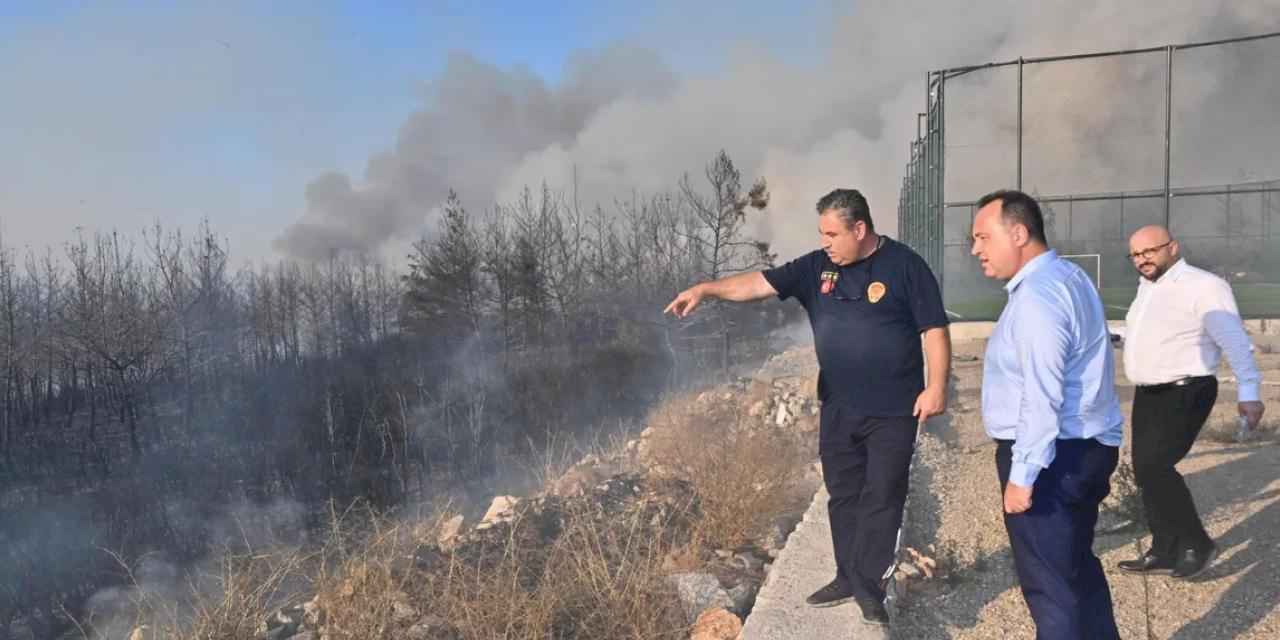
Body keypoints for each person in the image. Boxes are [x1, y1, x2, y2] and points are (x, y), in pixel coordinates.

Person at [664, 188, 951, 627]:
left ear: (860, 229)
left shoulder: (905, 266)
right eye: (822, 234)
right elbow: (758, 284)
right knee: (843, 494)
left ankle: (871, 587)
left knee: (883, 495)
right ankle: (846, 574)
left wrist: (936, 387)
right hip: (838, 405)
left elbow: (933, 329)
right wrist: (707, 289)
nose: (826, 243)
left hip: (894, 408)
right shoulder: (818, 268)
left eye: (833, 234)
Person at [969, 189, 1122, 639]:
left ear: (1018, 232)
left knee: (1050, 590)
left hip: (1054, 456)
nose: (976, 249)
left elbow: (1041, 394)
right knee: (1076, 570)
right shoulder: (1067, 277)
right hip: (1085, 447)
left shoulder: (1038, 297)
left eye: (983, 237)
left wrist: (1023, 474)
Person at [1116, 225, 1266, 578]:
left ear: (1173, 247)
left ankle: (1197, 543)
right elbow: (1148, 334)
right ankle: (1164, 549)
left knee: (1156, 467)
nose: (1142, 260)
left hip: (1186, 390)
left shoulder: (1204, 286)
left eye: (1149, 251)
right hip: (1150, 392)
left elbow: (1234, 341)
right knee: (1145, 472)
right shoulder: (1148, 288)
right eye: (1135, 255)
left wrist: (1249, 393)